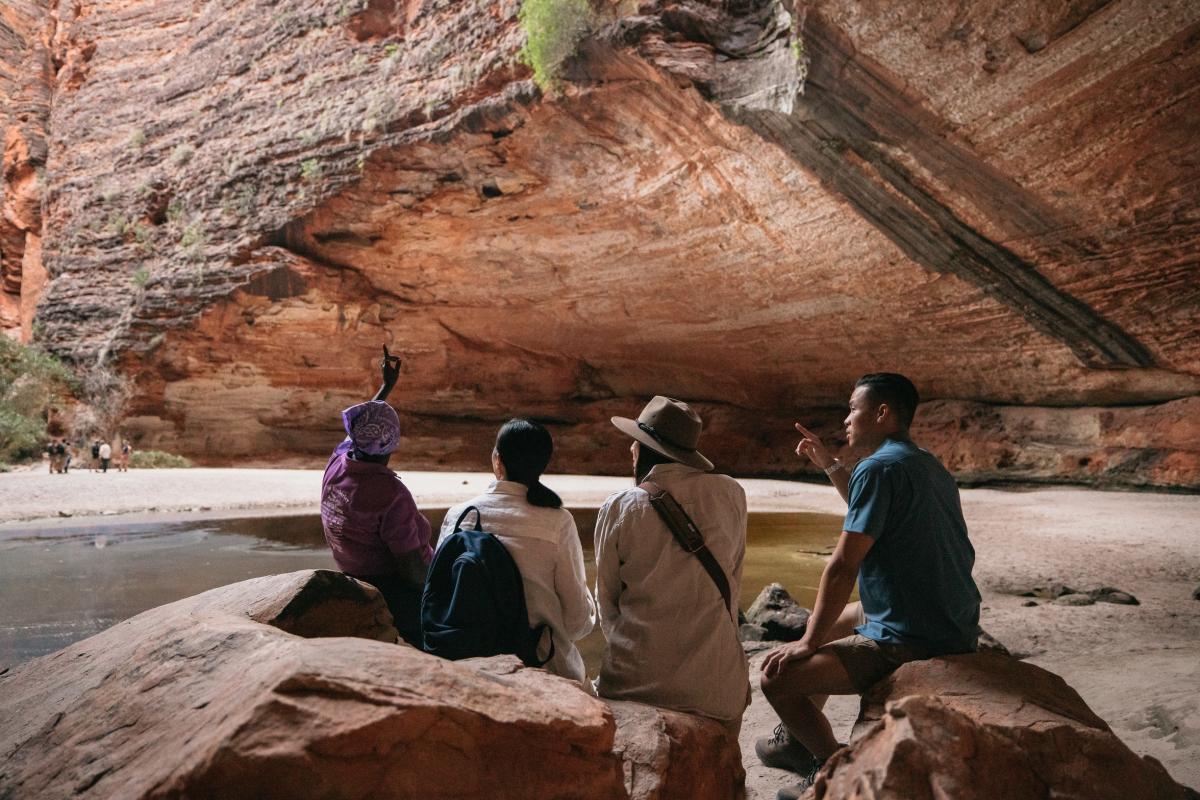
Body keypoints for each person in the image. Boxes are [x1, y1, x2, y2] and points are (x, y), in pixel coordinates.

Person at [755, 373, 981, 799]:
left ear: (881, 413)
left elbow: (841, 567)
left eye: (853, 409)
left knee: (776, 678)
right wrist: (828, 464)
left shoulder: (877, 469)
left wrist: (806, 644)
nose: (846, 420)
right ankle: (792, 742)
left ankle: (828, 768)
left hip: (912, 636)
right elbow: (869, 512)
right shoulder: (923, 463)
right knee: (841, 619)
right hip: (950, 619)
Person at [594, 396, 749, 731]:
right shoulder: (731, 493)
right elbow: (732, 584)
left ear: (641, 449)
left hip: (633, 683)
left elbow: (607, 603)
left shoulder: (621, 506)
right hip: (715, 685)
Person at [439, 419, 596, 683]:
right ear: (543, 464)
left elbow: (439, 595)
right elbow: (576, 622)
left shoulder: (459, 516)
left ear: (497, 460)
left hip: (467, 663)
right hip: (542, 668)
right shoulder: (558, 522)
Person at [320, 346, 432, 646]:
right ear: (393, 444)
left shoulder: (338, 462)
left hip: (353, 573)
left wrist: (385, 388)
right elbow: (411, 570)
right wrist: (439, 595)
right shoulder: (391, 495)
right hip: (390, 589)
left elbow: (362, 427)